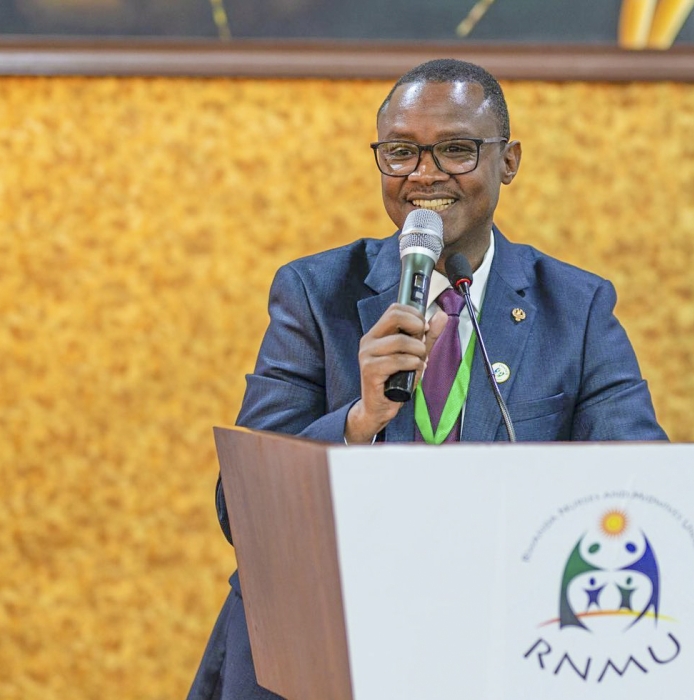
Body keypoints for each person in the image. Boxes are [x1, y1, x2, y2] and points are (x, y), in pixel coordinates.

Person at [188, 58, 667, 699]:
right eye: (401, 152)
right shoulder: (313, 292)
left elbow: (641, 490)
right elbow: (241, 510)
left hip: (503, 645)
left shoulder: (576, 308)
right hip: (322, 646)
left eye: (456, 150)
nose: (424, 174)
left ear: (510, 160)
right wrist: (358, 422)